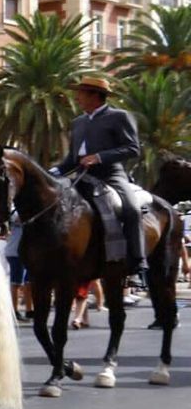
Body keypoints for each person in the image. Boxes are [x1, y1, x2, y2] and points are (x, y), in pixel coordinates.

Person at [52, 74, 146, 278]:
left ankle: (137, 260)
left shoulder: (119, 116)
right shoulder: (78, 123)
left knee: (131, 209)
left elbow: (132, 148)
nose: (76, 98)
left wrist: (100, 157)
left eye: (80, 93)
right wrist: (51, 172)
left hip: (110, 175)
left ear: (95, 96)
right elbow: (71, 159)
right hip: (81, 176)